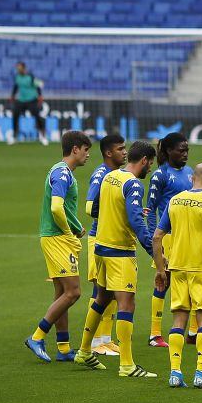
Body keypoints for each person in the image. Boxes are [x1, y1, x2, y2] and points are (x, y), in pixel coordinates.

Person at [73, 140, 158, 378]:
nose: (149, 169)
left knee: (101, 299)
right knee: (126, 305)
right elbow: (136, 221)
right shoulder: (133, 184)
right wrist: (153, 251)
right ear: (143, 160)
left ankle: (83, 351)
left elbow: (97, 207)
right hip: (120, 253)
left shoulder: (110, 176)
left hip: (100, 247)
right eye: (149, 164)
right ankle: (127, 365)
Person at [153, 163, 202, 389]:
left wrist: (160, 268)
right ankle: (200, 373)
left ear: (192, 179)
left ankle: (175, 373)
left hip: (177, 268)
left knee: (179, 319)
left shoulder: (174, 201)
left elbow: (157, 237)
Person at [25, 130, 91, 363]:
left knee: (61, 293)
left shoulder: (62, 172)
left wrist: (76, 226)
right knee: (74, 292)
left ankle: (63, 347)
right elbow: (56, 207)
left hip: (57, 236)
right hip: (56, 239)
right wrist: (67, 233)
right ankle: (37, 336)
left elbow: (63, 209)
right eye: (85, 150)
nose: (87, 155)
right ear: (75, 149)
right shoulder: (62, 173)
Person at [146, 133, 195, 348]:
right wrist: (152, 243)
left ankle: (193, 332)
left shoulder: (191, 173)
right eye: (180, 150)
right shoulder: (160, 175)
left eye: (187, 150)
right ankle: (155, 334)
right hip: (168, 237)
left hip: (189, 237)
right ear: (167, 151)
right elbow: (150, 210)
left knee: (193, 281)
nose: (185, 154)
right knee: (163, 282)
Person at [84, 133, 127, 357]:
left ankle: (105, 339)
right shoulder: (101, 174)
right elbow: (89, 207)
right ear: (109, 153)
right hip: (98, 237)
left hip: (110, 237)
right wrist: (112, 214)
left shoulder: (117, 174)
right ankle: (93, 343)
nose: (125, 152)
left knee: (109, 291)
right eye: (120, 149)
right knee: (99, 289)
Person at [9, 61, 48, 146]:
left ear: (24, 68)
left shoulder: (30, 76)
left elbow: (38, 86)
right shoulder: (17, 77)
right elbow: (16, 87)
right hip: (21, 100)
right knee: (15, 115)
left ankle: (43, 136)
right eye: (17, 68)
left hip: (32, 100)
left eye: (19, 68)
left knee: (37, 116)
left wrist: (40, 96)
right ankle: (14, 137)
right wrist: (12, 96)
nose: (18, 70)